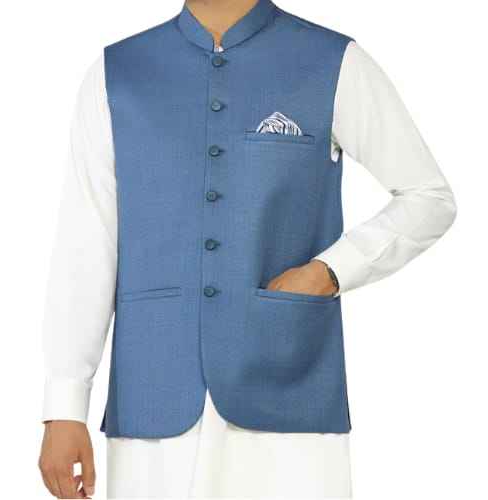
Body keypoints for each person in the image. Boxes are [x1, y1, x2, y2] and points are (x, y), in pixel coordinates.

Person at [38, 0, 457, 498]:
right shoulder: (117, 73)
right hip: (153, 392)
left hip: (290, 390)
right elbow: (87, 243)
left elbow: (428, 198)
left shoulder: (333, 62)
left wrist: (329, 271)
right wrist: (65, 404)